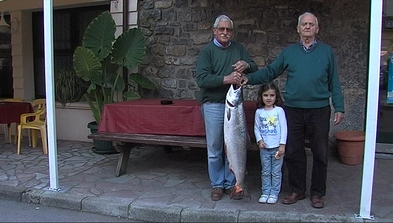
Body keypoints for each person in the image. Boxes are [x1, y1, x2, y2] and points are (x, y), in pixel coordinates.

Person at [240, 12, 345, 208]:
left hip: (319, 109)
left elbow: (334, 81)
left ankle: (317, 193)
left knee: (321, 153)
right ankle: (297, 190)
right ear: (298, 29)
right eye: (304, 24)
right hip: (293, 110)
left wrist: (339, 106)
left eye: (311, 24)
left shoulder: (327, 51)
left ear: (317, 29)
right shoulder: (289, 52)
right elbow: (271, 71)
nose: (307, 27)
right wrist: (249, 78)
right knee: (294, 152)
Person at [195, 14, 258, 201]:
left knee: (234, 146)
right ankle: (217, 184)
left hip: (235, 105)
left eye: (228, 29)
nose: (225, 32)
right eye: (221, 29)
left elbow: (254, 67)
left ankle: (232, 183)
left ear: (232, 32)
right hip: (214, 105)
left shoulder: (239, 48)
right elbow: (202, 79)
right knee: (215, 147)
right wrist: (227, 79)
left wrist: (246, 64)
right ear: (215, 31)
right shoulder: (207, 52)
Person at [254, 82, 287, 205]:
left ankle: (274, 193)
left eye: (271, 95)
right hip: (265, 148)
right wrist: (259, 140)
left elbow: (284, 128)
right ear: (261, 96)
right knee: (266, 171)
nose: (268, 98)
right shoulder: (259, 112)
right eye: (266, 95)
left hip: (277, 148)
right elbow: (257, 128)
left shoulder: (279, 111)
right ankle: (265, 192)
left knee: (276, 172)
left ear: (276, 96)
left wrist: (282, 144)